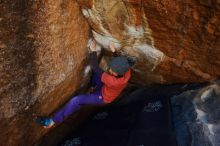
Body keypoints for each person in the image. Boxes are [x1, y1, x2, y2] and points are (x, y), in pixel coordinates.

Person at [34, 40, 131, 128]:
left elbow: (96, 68)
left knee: (76, 100)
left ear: (117, 74)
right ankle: (93, 87)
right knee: (98, 75)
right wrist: (114, 51)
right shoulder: (126, 71)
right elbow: (119, 61)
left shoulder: (113, 81)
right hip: (106, 87)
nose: (110, 69)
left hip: (103, 96)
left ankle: (51, 121)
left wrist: (93, 51)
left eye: (112, 70)